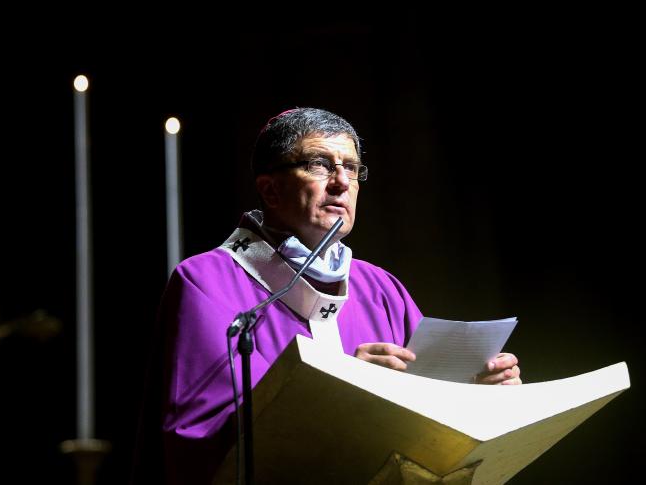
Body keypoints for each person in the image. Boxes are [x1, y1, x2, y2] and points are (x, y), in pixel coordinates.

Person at [131, 107, 521, 485]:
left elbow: (430, 409)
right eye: (320, 164)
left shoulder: (380, 287)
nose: (341, 182)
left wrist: (476, 392)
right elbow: (199, 438)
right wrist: (338, 397)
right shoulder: (207, 280)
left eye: (351, 168)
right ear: (270, 189)